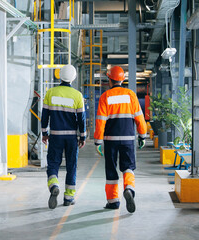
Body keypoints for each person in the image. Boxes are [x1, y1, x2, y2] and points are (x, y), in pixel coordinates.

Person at [94, 66, 147, 213]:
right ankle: (129, 188)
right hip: (128, 139)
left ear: (109, 80)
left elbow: (100, 121)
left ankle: (113, 201)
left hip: (110, 140)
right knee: (128, 167)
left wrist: (98, 141)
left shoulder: (106, 97)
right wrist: (142, 135)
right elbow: (139, 117)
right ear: (122, 80)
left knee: (111, 169)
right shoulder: (130, 95)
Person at [41, 64, 86, 209]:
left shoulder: (51, 93)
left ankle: (54, 184)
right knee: (71, 166)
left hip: (55, 136)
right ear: (73, 78)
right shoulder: (77, 95)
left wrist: (44, 133)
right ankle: (68, 197)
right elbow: (81, 119)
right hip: (71, 137)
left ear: (59, 75)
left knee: (53, 163)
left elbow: (45, 115)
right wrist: (82, 136)